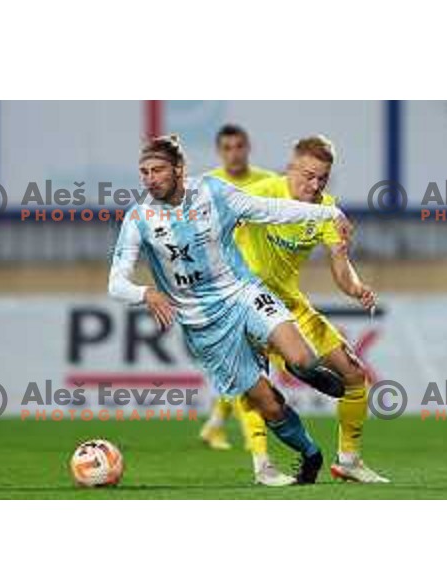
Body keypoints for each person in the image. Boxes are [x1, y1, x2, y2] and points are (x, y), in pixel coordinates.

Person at [108, 134, 351, 485]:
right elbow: (116, 283)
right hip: (203, 323)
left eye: (158, 170)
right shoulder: (138, 218)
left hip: (241, 292)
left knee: (301, 359)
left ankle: (307, 370)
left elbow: (269, 210)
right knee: (268, 403)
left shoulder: (212, 192)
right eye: (144, 172)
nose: (150, 178)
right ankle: (311, 454)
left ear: (179, 169)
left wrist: (329, 211)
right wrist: (146, 293)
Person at [233, 135, 389, 483]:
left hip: (291, 303)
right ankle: (262, 465)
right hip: (248, 301)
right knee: (258, 387)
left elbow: (340, 265)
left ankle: (348, 460)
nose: (315, 184)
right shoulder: (262, 193)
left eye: (323, 178)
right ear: (290, 168)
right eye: (308, 175)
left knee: (353, 372)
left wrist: (356, 287)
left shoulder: (326, 210)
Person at [200, 124, 289, 486]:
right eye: (227, 147)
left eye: (239, 146)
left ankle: (216, 423)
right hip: (226, 287)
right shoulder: (206, 184)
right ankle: (256, 455)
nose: (234, 152)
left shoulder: (268, 181)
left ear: (247, 147)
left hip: (263, 285)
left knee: (272, 363)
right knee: (247, 367)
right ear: (220, 151)